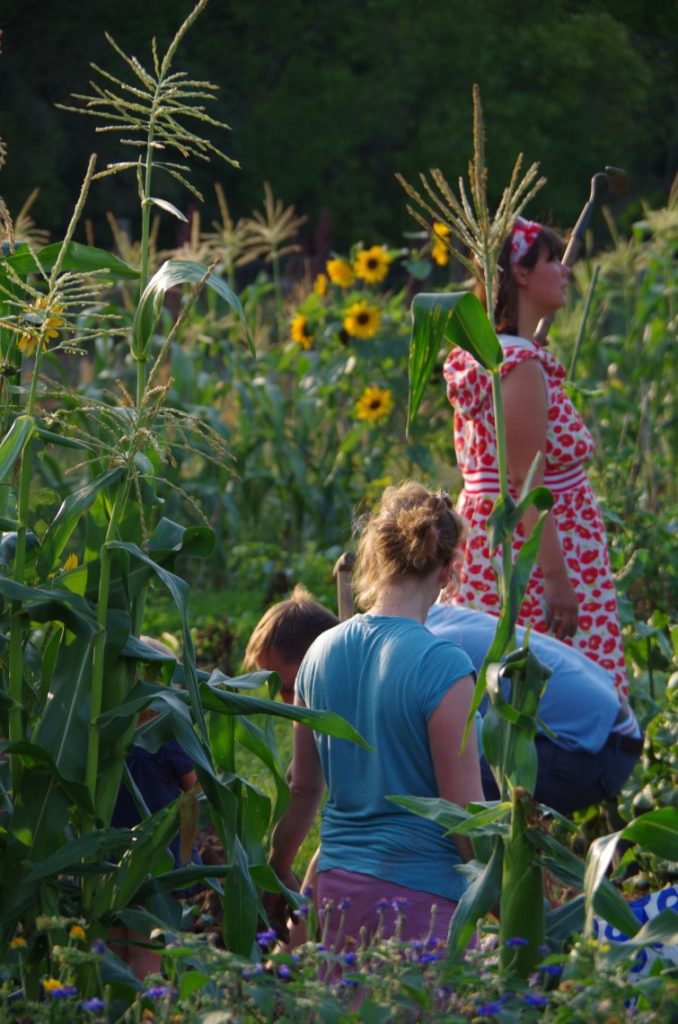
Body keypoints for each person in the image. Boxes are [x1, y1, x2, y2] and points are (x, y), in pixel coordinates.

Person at [264, 483, 484, 948]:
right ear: (447, 570)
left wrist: (278, 869)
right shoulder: (444, 667)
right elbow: (463, 819)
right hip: (423, 904)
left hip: (335, 893)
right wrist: (508, 903)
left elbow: (302, 789)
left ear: (375, 557)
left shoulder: (319, 653)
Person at [439, 217, 628, 694]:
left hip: (498, 546)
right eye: (550, 260)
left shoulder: (495, 358)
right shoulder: (519, 368)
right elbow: (523, 483)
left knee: (504, 690)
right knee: (558, 691)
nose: (565, 271)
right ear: (519, 274)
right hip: (539, 551)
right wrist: (555, 577)